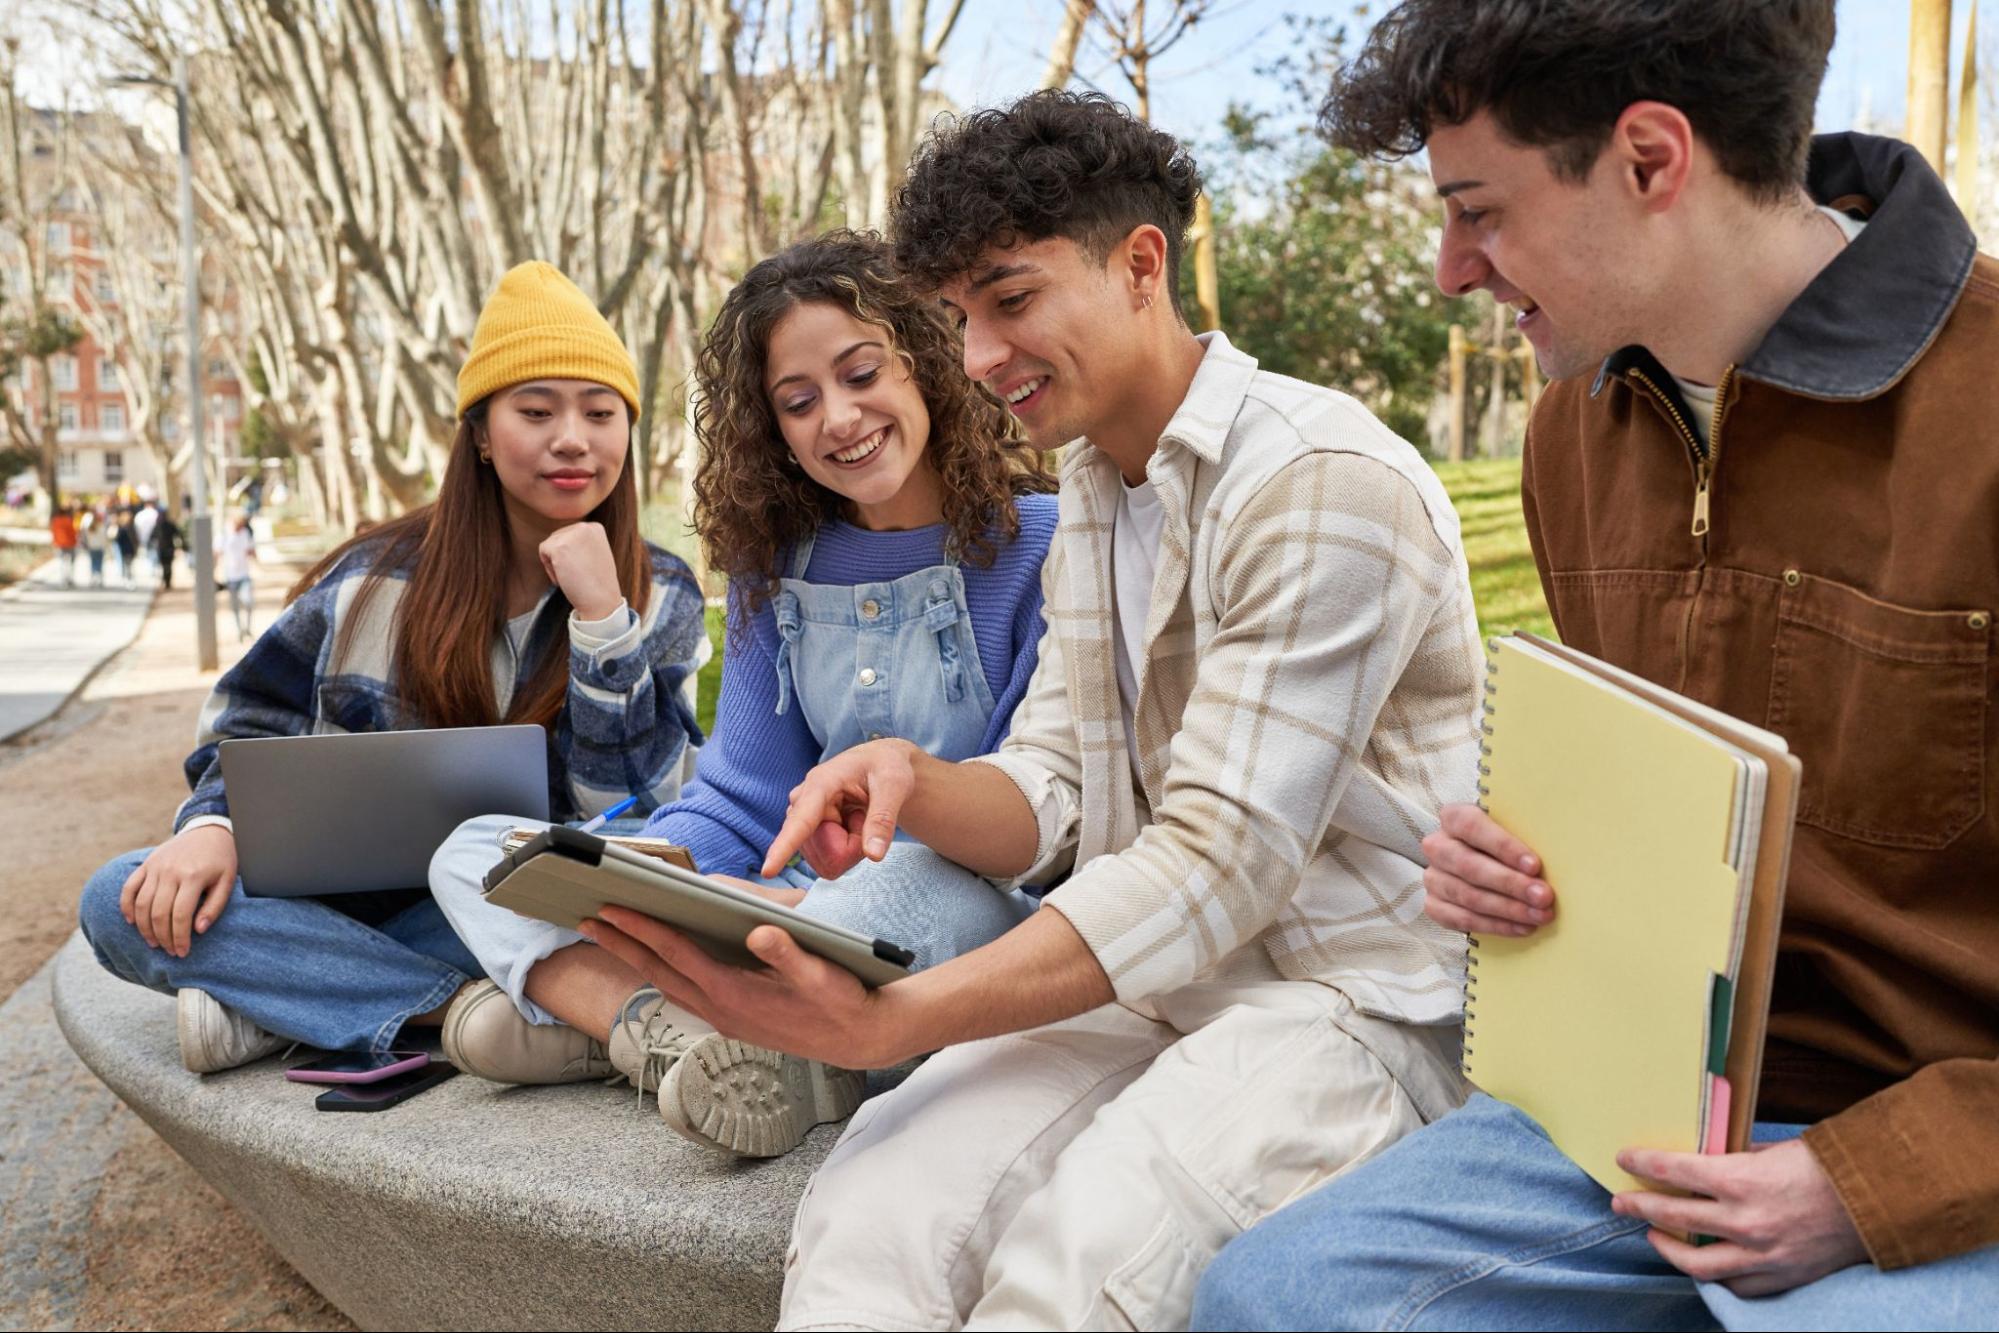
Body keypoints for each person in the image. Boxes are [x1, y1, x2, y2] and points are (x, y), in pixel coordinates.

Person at [578, 92, 1484, 1328]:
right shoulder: (1095, 494)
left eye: (1011, 300)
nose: (981, 354)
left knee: (1080, 1256)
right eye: (956, 319)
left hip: (1344, 1004)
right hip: (1148, 986)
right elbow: (1053, 784)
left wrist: (891, 1017)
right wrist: (909, 774)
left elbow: (1218, 865)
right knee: (871, 1209)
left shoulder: (1318, 485)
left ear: (1141, 266)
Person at [1192, 3, 1999, 1329]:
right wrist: (1522, 881)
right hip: (1656, 1123)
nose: (1451, 269)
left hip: (1947, 1147)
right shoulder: (1571, 430)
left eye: (1477, 210)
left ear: (1646, 160)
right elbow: (1681, 836)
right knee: (1269, 1301)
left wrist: (1870, 1181)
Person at [428, 231, 1059, 1157]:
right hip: (786, 899)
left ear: (926, 362)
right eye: (797, 402)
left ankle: (618, 1025)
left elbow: (1029, 819)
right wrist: (662, 873)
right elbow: (745, 794)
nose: (836, 418)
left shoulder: (1039, 543)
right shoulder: (776, 569)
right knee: (472, 853)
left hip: (957, 895)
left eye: (859, 374)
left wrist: (797, 910)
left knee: (891, 902)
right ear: (773, 431)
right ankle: (661, 1029)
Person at [74, 261, 710, 1075]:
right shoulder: (371, 579)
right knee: (119, 898)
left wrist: (602, 622)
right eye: (536, 410)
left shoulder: (661, 594)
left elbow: (632, 807)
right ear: (480, 434)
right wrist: (213, 828)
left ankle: (295, 1000)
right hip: (334, 903)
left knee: (568, 906)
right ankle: (457, 1010)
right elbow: (249, 722)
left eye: (600, 412)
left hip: (514, 910)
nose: (573, 439)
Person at [217, 509, 256, 640]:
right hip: (230, 576)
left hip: (244, 574)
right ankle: (240, 630)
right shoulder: (224, 534)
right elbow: (217, 552)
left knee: (248, 601)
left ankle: (248, 628)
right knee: (235, 606)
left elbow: (251, 550)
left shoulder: (245, 533)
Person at [150, 504, 182, 590]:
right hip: (165, 548)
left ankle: (167, 582)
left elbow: (152, 537)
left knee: (166, 566)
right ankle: (167, 581)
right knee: (167, 566)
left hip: (165, 548)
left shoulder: (161, 525)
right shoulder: (161, 525)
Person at [79, 506, 108, 587]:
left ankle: (94, 577)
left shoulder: (89, 528)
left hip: (92, 547)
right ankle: (99, 578)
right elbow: (104, 537)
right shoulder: (101, 527)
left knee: (93, 562)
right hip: (100, 547)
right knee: (99, 563)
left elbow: (85, 535)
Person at [49, 504, 77, 587]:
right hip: (70, 543)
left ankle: (63, 579)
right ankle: (69, 578)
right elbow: (73, 532)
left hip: (59, 543)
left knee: (62, 562)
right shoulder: (69, 520)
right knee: (70, 562)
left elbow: (53, 532)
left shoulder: (55, 521)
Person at [112, 506, 139, 587]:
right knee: (128, 565)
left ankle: (128, 578)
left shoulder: (127, 528)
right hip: (128, 549)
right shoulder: (125, 529)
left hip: (127, 549)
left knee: (127, 565)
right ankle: (128, 578)